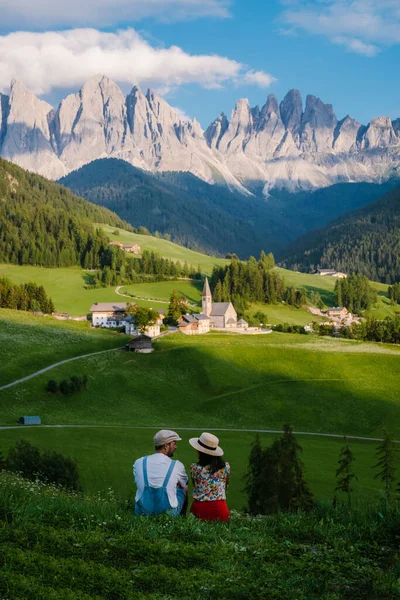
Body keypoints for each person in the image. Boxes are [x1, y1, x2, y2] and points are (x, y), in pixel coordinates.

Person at [133, 430, 188, 516]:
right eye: (174, 444)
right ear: (166, 446)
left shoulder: (139, 462)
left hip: (142, 512)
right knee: (181, 487)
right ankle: (183, 517)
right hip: (168, 514)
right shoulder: (177, 465)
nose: (176, 447)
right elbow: (185, 486)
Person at [189, 432, 230, 522]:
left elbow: (196, 486)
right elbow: (225, 485)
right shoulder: (226, 467)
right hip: (221, 508)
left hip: (201, 508)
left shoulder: (195, 468)